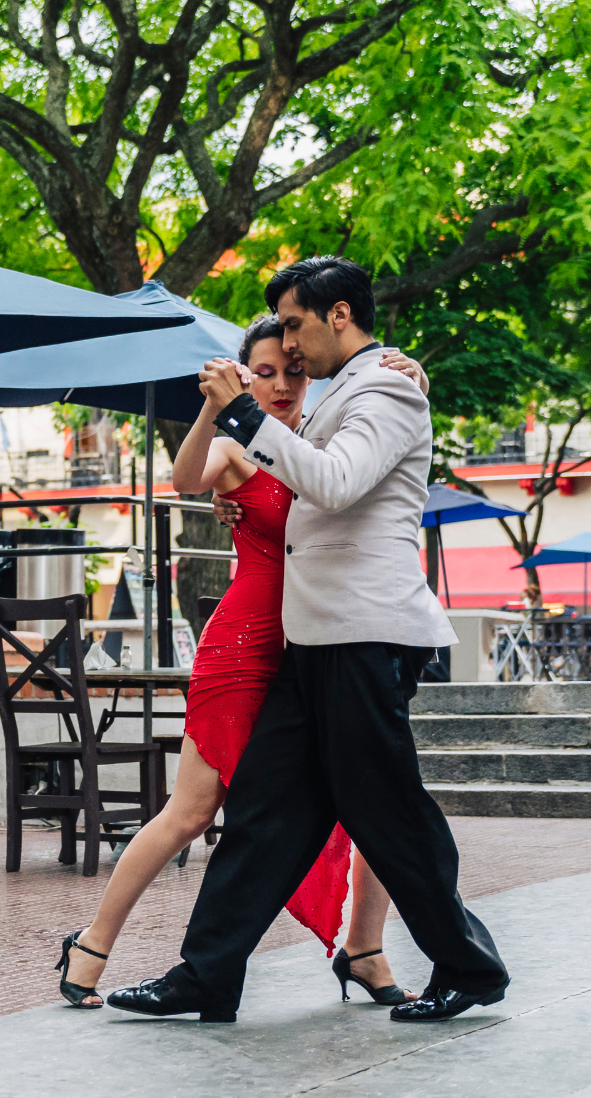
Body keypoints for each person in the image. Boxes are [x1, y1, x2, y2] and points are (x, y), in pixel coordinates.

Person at [107, 255, 509, 1025]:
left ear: (338, 316)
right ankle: (207, 972)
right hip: (314, 639)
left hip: (365, 636)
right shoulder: (345, 392)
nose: (287, 347)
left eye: (294, 325)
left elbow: (335, 481)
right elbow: (296, 489)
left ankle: (468, 966)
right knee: (264, 810)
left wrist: (247, 418)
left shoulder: (388, 388)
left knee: (387, 812)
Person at [55, 319, 423, 1009]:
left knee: (372, 804)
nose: (281, 385)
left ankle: (365, 950)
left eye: (294, 370)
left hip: (317, 648)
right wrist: (213, 404)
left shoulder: (327, 438)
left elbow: (373, 463)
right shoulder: (238, 447)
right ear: (243, 375)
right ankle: (93, 945)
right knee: (192, 811)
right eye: (263, 372)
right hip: (244, 646)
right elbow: (185, 475)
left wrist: (406, 373)